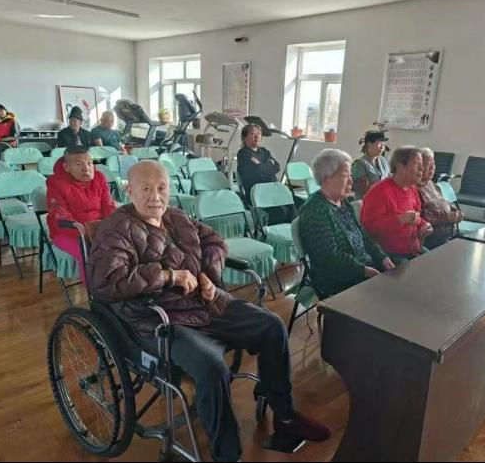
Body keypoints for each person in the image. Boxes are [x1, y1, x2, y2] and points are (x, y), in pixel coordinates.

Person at [86, 160, 330, 462]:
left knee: (272, 326)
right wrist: (167, 276)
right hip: (158, 319)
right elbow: (105, 282)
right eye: (146, 189)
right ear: (129, 191)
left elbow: (214, 241)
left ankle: (285, 416)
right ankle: (226, 455)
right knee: (212, 366)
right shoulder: (115, 229)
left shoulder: (176, 217)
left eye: (162, 188)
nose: (156, 197)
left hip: (205, 302)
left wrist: (208, 275)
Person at [299, 149, 395, 297]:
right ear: (326, 178)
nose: (351, 180)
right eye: (345, 175)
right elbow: (329, 257)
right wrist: (363, 270)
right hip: (338, 278)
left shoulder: (343, 203)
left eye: (350, 175)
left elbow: (363, 236)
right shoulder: (315, 210)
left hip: (364, 268)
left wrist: (382, 257)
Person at [46, 146, 116, 281]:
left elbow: (108, 206)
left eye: (89, 163)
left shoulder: (99, 177)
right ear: (67, 167)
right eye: (79, 164)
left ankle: (120, 285)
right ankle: (94, 291)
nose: (86, 168)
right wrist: (87, 232)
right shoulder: (55, 183)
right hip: (68, 231)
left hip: (98, 228)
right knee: (89, 251)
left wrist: (110, 226)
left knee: (122, 243)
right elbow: (59, 215)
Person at [361, 146, 433, 265]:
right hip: (389, 253)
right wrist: (400, 219)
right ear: (400, 167)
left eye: (422, 164)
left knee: (436, 264)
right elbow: (369, 229)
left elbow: (416, 217)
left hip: (414, 249)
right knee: (412, 272)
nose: (422, 168)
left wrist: (424, 225)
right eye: (417, 164)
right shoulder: (379, 192)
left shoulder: (412, 189)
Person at [237, 124, 295, 225]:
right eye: (253, 133)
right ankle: (273, 233)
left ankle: (291, 232)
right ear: (244, 138)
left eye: (259, 133)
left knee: (296, 204)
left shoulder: (264, 151)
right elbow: (256, 172)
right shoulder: (243, 154)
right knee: (282, 212)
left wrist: (259, 165)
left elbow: (277, 167)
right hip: (258, 194)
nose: (257, 136)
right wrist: (268, 165)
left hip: (273, 190)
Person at [417, 147, 463, 249]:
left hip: (451, 233)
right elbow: (421, 216)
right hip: (434, 237)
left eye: (433, 163)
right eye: (428, 164)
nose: (432, 167)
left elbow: (445, 202)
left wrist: (457, 212)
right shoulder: (415, 188)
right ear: (419, 166)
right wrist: (448, 217)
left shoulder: (431, 183)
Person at [351, 129, 390, 200]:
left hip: (382, 200)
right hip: (365, 202)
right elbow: (365, 188)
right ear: (369, 144)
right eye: (379, 144)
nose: (382, 147)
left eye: (384, 144)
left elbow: (388, 179)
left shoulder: (382, 160)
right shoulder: (360, 164)